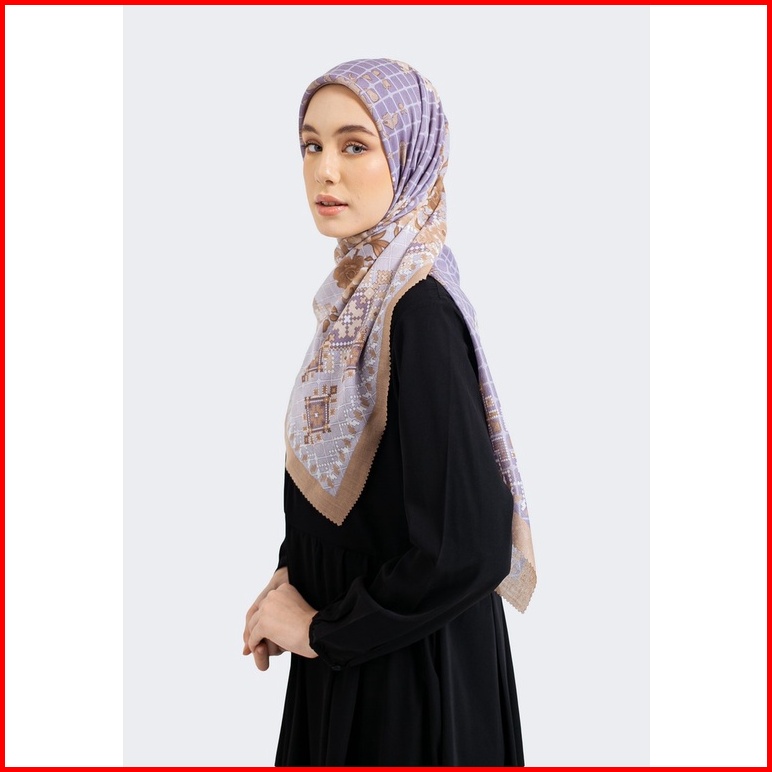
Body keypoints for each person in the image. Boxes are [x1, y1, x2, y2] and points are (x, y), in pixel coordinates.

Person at [242, 58, 537, 766]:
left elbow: (467, 543)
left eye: (355, 145)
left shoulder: (417, 311)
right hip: (360, 653)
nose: (325, 171)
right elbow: (375, 496)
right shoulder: (360, 301)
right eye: (311, 145)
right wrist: (291, 580)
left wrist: (322, 630)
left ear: (410, 156)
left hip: (409, 683)